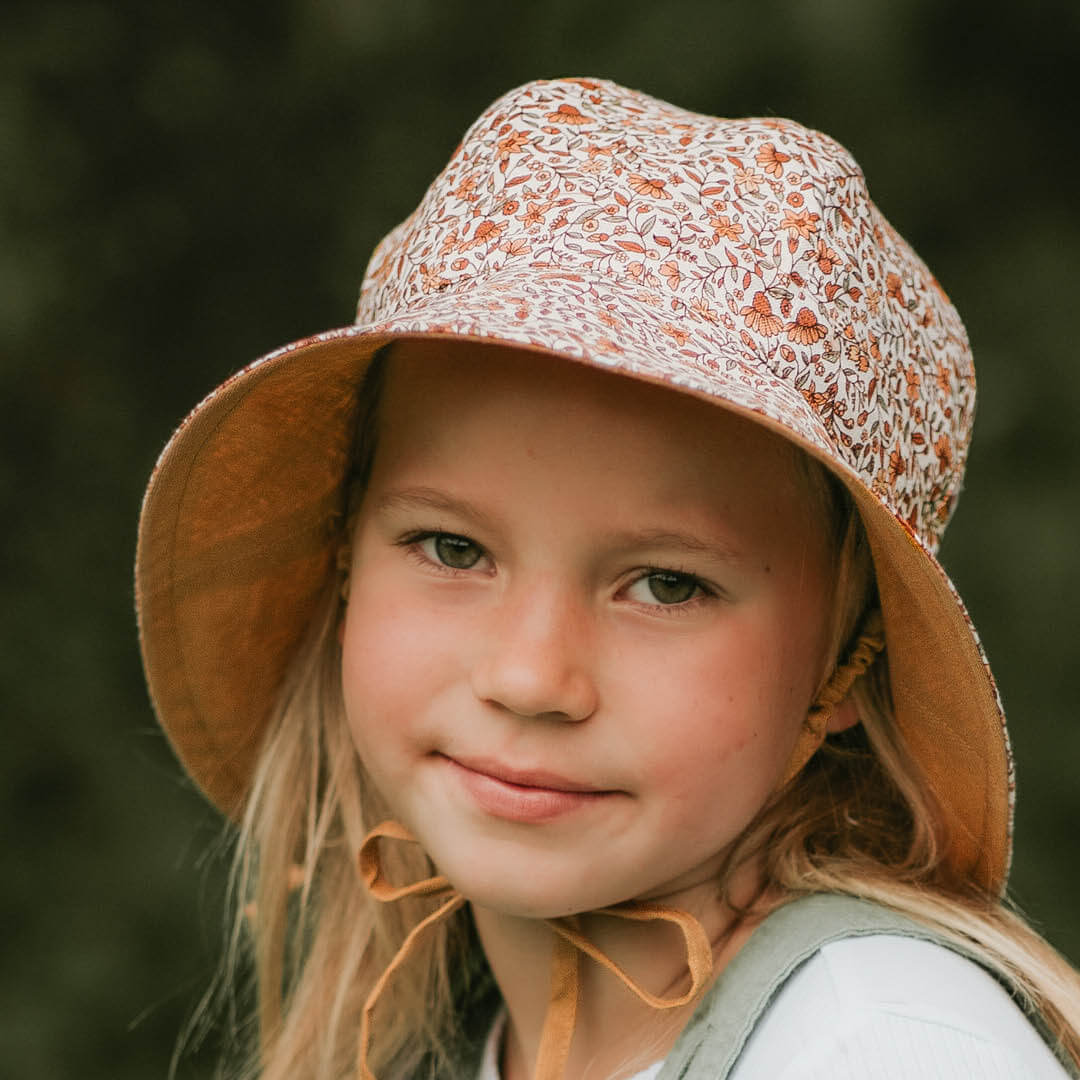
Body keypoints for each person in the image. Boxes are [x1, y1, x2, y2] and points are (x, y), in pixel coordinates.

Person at [135, 77, 1080, 1079]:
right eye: (452, 549)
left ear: (855, 654)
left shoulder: (882, 1048)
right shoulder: (458, 1049)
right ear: (344, 568)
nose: (530, 678)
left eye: (668, 585)